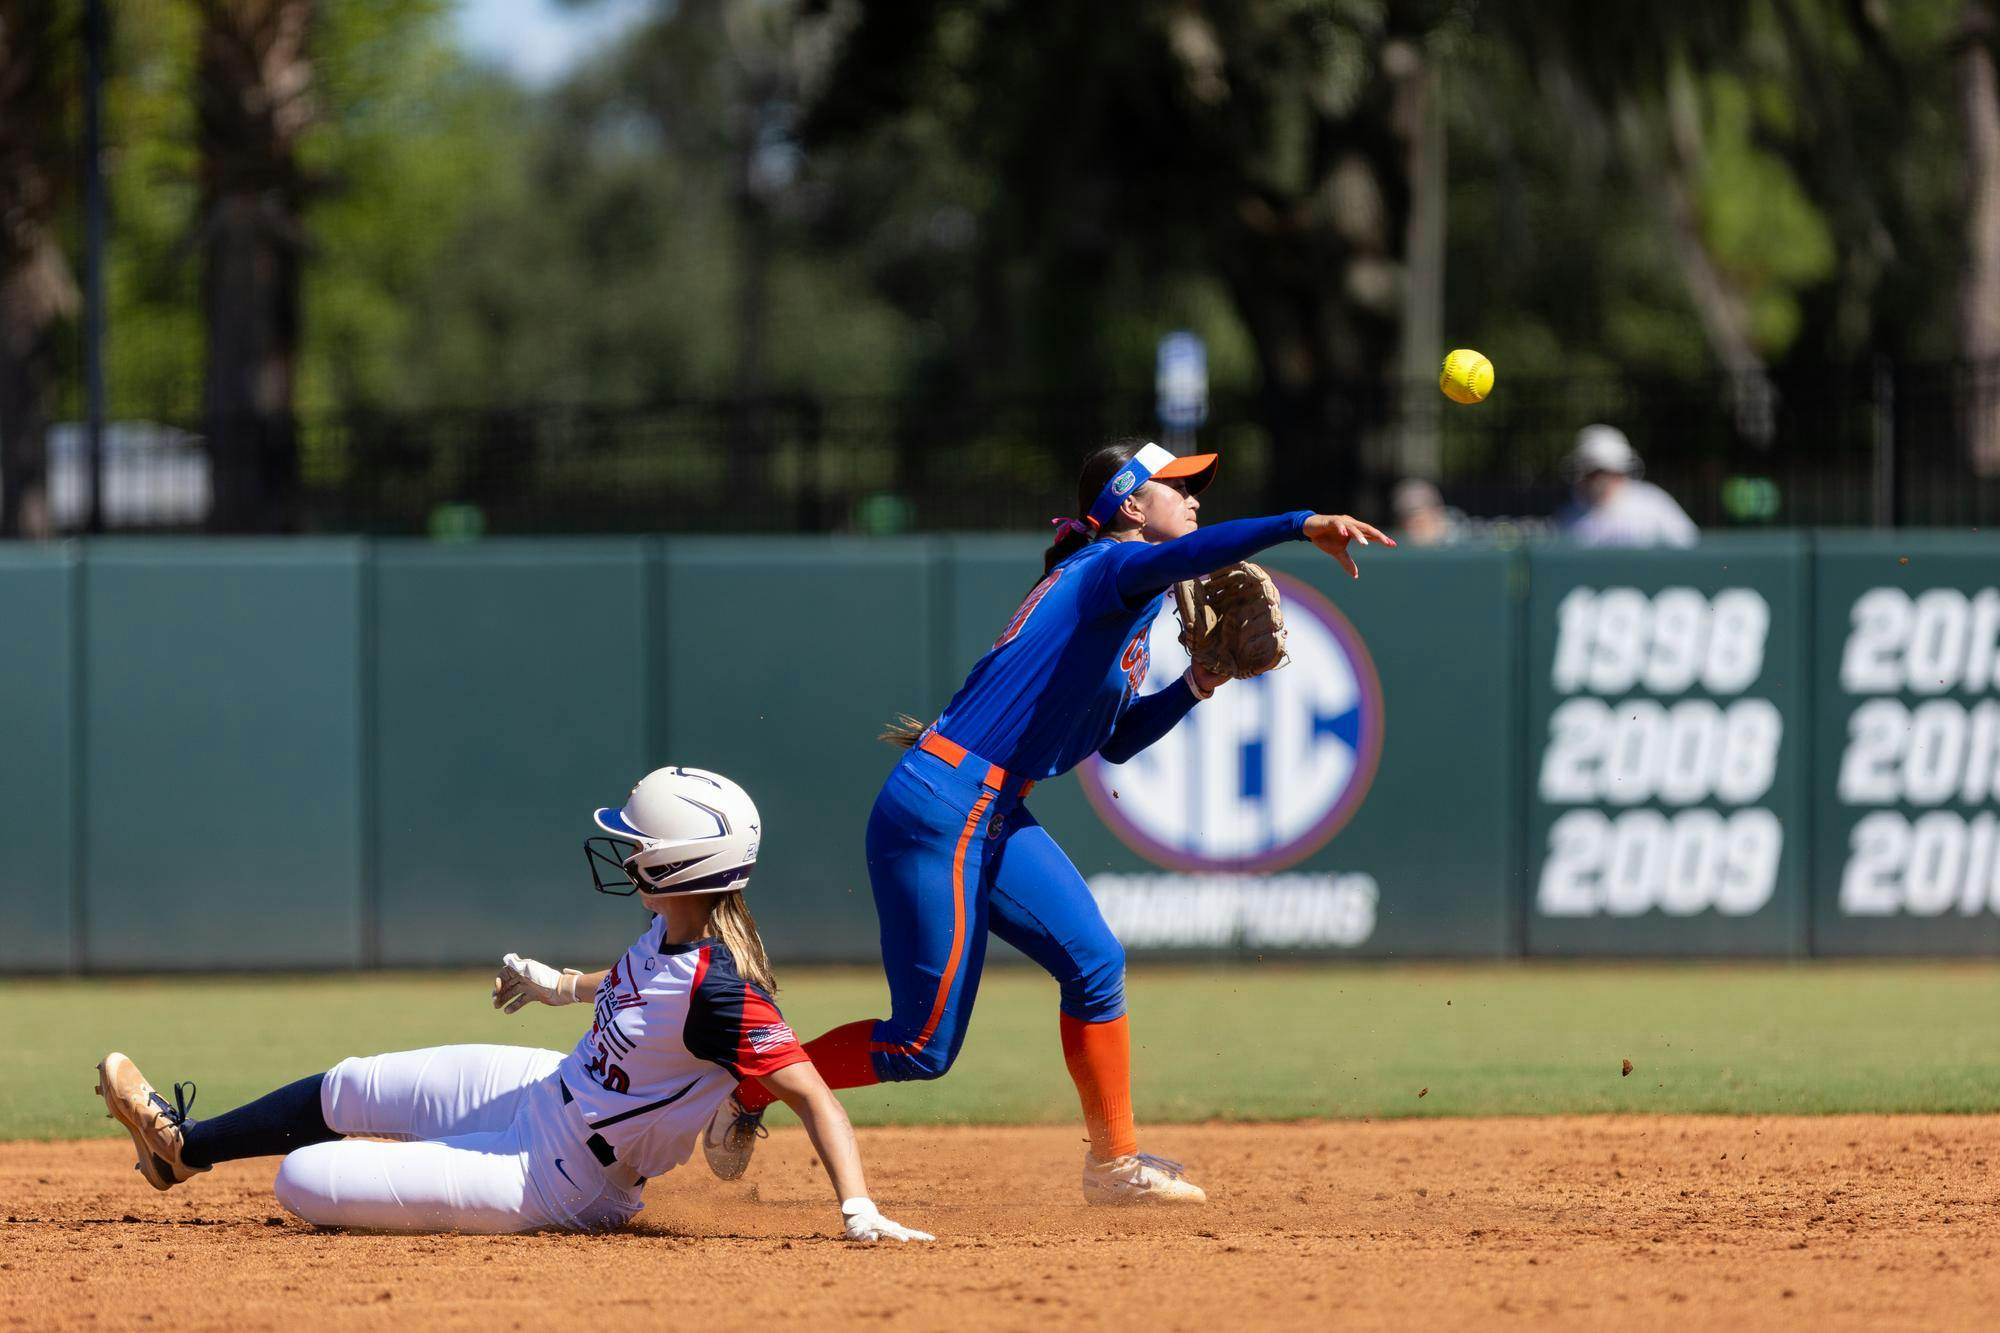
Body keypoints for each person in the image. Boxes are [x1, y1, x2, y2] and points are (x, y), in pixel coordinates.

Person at [702, 439, 1392, 1205]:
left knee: (1094, 963)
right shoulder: (1109, 568)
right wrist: (1303, 521)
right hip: (944, 807)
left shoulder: (1124, 603)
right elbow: (1200, 548)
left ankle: (1114, 1164)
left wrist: (1199, 680)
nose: (1196, 499)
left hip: (991, 808)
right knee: (921, 1045)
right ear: (1131, 504)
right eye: (1179, 486)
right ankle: (751, 1086)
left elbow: (1118, 740)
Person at [94, 767, 931, 1242]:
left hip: (562, 1178)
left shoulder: (722, 986)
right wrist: (555, 984)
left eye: (638, 844)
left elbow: (813, 1089)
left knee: (303, 1175)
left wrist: (856, 1208)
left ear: (678, 865)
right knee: (350, 1084)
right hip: (546, 1089)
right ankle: (182, 1149)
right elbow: (630, 985)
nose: (626, 851)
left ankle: (219, 1152)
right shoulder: (673, 939)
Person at [1561, 424, 1698, 548]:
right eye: (1593, 473)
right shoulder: (1571, 515)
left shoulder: (1653, 504)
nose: (1600, 481)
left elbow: (1688, 545)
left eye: (1606, 472)